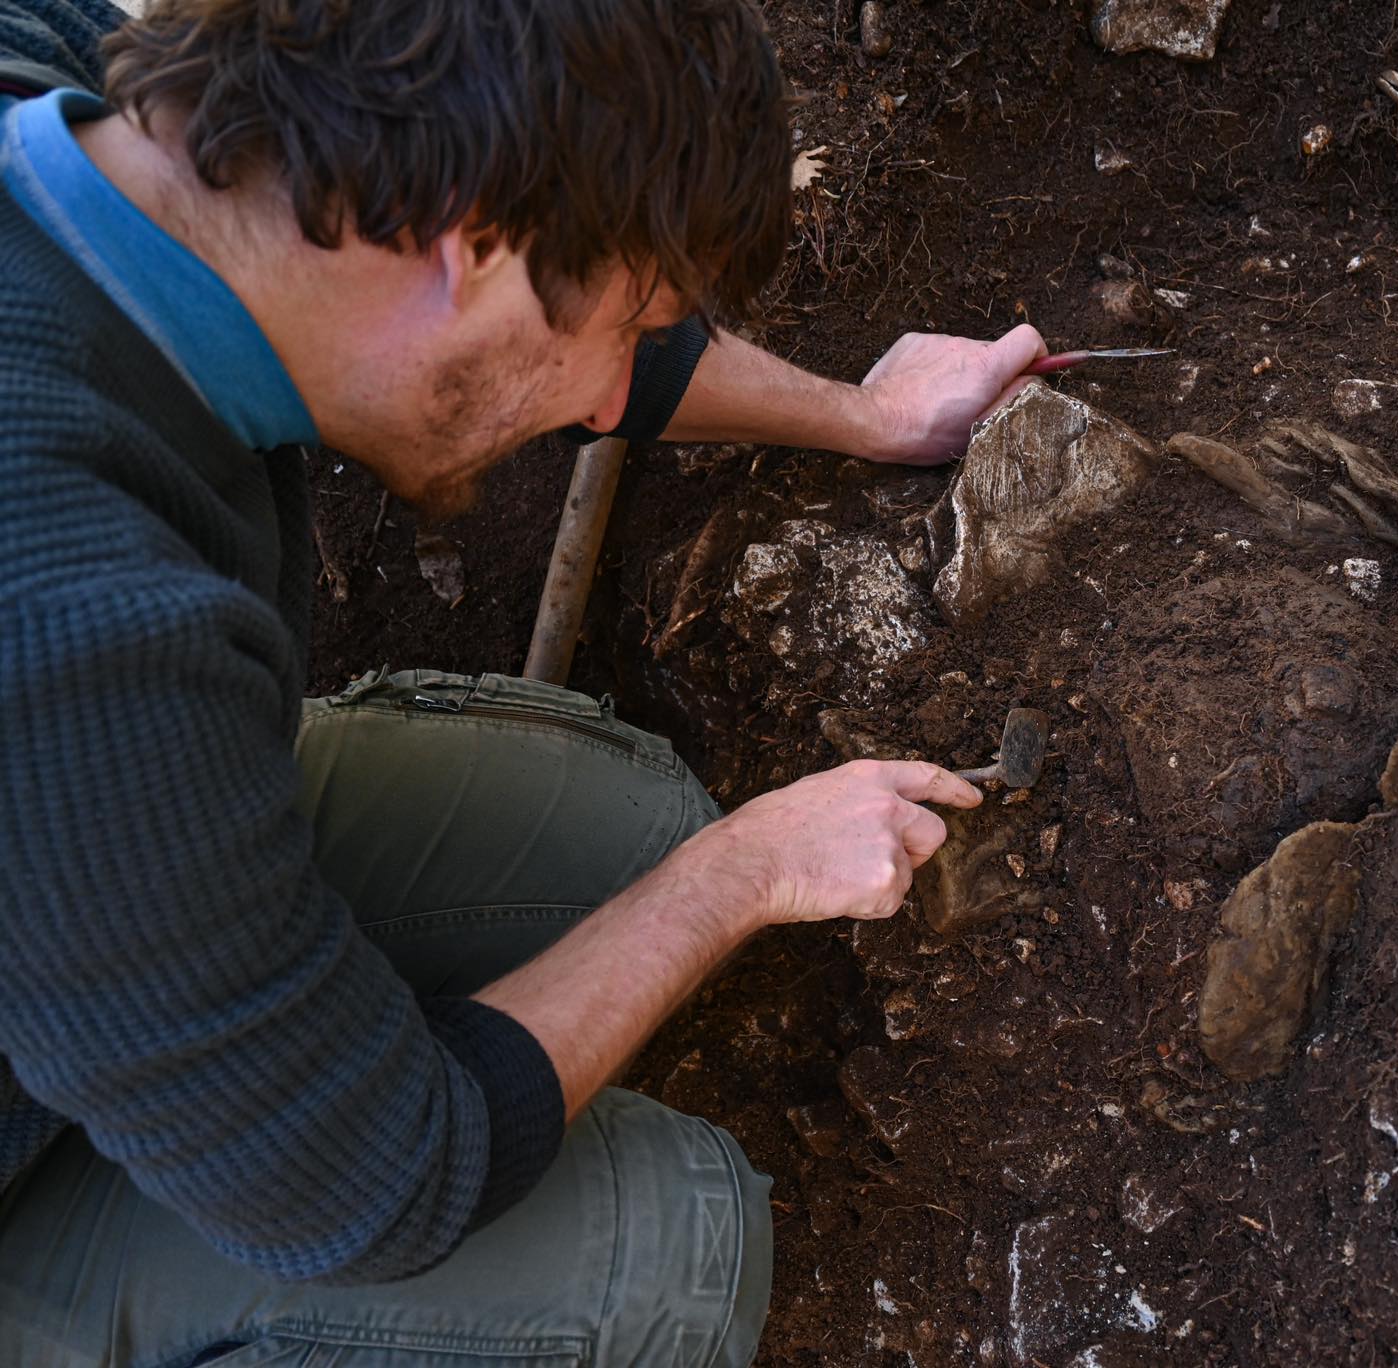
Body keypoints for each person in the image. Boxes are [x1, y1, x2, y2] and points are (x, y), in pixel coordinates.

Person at [0, 0, 1046, 1362]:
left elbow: (559, 304)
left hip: (71, 873)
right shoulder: (78, 635)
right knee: (661, 1258)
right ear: (468, 246)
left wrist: (864, 414)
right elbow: (369, 1180)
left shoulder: (88, 93)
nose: (614, 388)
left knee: (624, 829)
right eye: (626, 328)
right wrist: (737, 875)